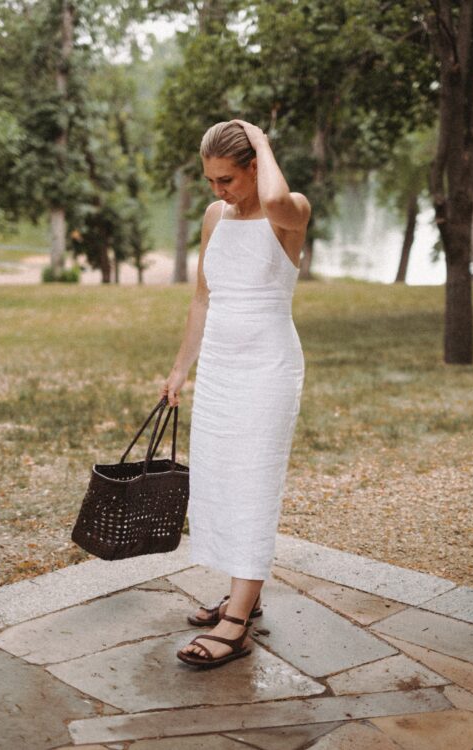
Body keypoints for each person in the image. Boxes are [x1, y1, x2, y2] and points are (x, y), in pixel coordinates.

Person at [159, 119, 310, 669]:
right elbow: (203, 298)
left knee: (254, 481)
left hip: (268, 366)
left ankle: (237, 623)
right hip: (221, 368)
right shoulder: (214, 217)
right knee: (221, 478)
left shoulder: (289, 210)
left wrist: (265, 141)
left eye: (227, 178)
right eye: (210, 180)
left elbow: (271, 197)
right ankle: (245, 591)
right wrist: (181, 370)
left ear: (254, 166)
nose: (218, 190)